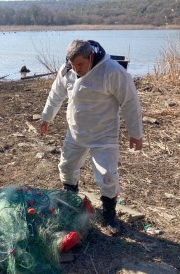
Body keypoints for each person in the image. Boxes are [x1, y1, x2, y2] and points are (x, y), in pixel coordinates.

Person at [40, 40, 143, 235]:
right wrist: (47, 117)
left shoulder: (112, 71)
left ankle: (109, 213)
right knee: (67, 167)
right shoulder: (67, 69)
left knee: (107, 175)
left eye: (80, 64)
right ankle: (71, 200)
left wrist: (135, 133)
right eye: (73, 65)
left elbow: (130, 102)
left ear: (91, 57)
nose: (76, 69)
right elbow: (56, 94)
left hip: (103, 134)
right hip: (76, 131)